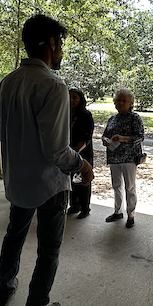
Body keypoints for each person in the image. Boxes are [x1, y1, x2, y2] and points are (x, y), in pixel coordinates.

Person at [0, 14, 94, 306]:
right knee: (48, 253)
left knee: (15, 234)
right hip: (49, 186)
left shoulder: (7, 82)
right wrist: (82, 165)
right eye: (60, 43)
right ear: (51, 43)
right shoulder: (53, 85)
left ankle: (4, 288)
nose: (61, 50)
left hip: (17, 181)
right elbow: (56, 151)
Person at [101, 88, 144, 229]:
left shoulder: (135, 118)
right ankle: (117, 211)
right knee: (116, 185)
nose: (120, 103)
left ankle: (131, 214)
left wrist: (123, 138)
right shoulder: (113, 118)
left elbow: (140, 137)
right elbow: (105, 134)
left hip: (129, 158)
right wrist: (106, 140)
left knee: (130, 187)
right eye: (118, 100)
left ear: (130, 103)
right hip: (114, 156)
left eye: (123, 100)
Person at [68, 88, 94, 219]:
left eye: (75, 98)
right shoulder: (64, 113)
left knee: (83, 180)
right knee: (71, 180)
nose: (71, 100)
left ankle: (85, 208)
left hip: (83, 152)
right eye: (70, 97)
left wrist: (76, 152)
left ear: (80, 100)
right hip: (69, 152)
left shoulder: (85, 115)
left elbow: (86, 138)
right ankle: (74, 205)